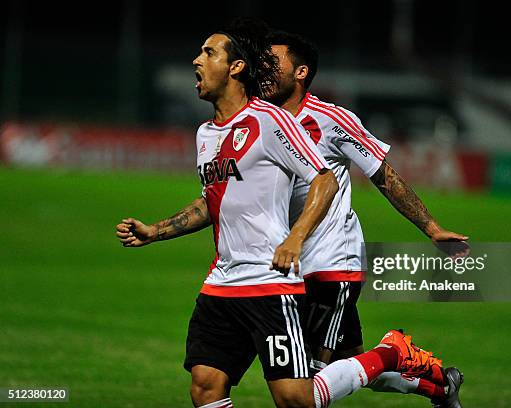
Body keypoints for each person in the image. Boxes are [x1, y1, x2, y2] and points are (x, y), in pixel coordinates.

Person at [115, 19, 441, 408]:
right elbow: (212, 201)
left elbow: (324, 180)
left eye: (208, 52)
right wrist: (157, 230)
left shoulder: (269, 121)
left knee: (296, 398)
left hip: (271, 282)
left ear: (235, 67)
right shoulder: (206, 134)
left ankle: (391, 354)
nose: (196, 61)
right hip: (222, 280)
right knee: (204, 386)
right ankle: (422, 378)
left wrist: (295, 237)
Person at [265, 30, 468, 408]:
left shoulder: (331, 120)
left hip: (331, 263)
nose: (263, 68)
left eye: (273, 63)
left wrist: (432, 228)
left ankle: (393, 352)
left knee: (304, 388)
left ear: (300, 72)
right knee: (352, 364)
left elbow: (385, 176)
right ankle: (439, 384)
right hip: (289, 267)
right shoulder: (265, 120)